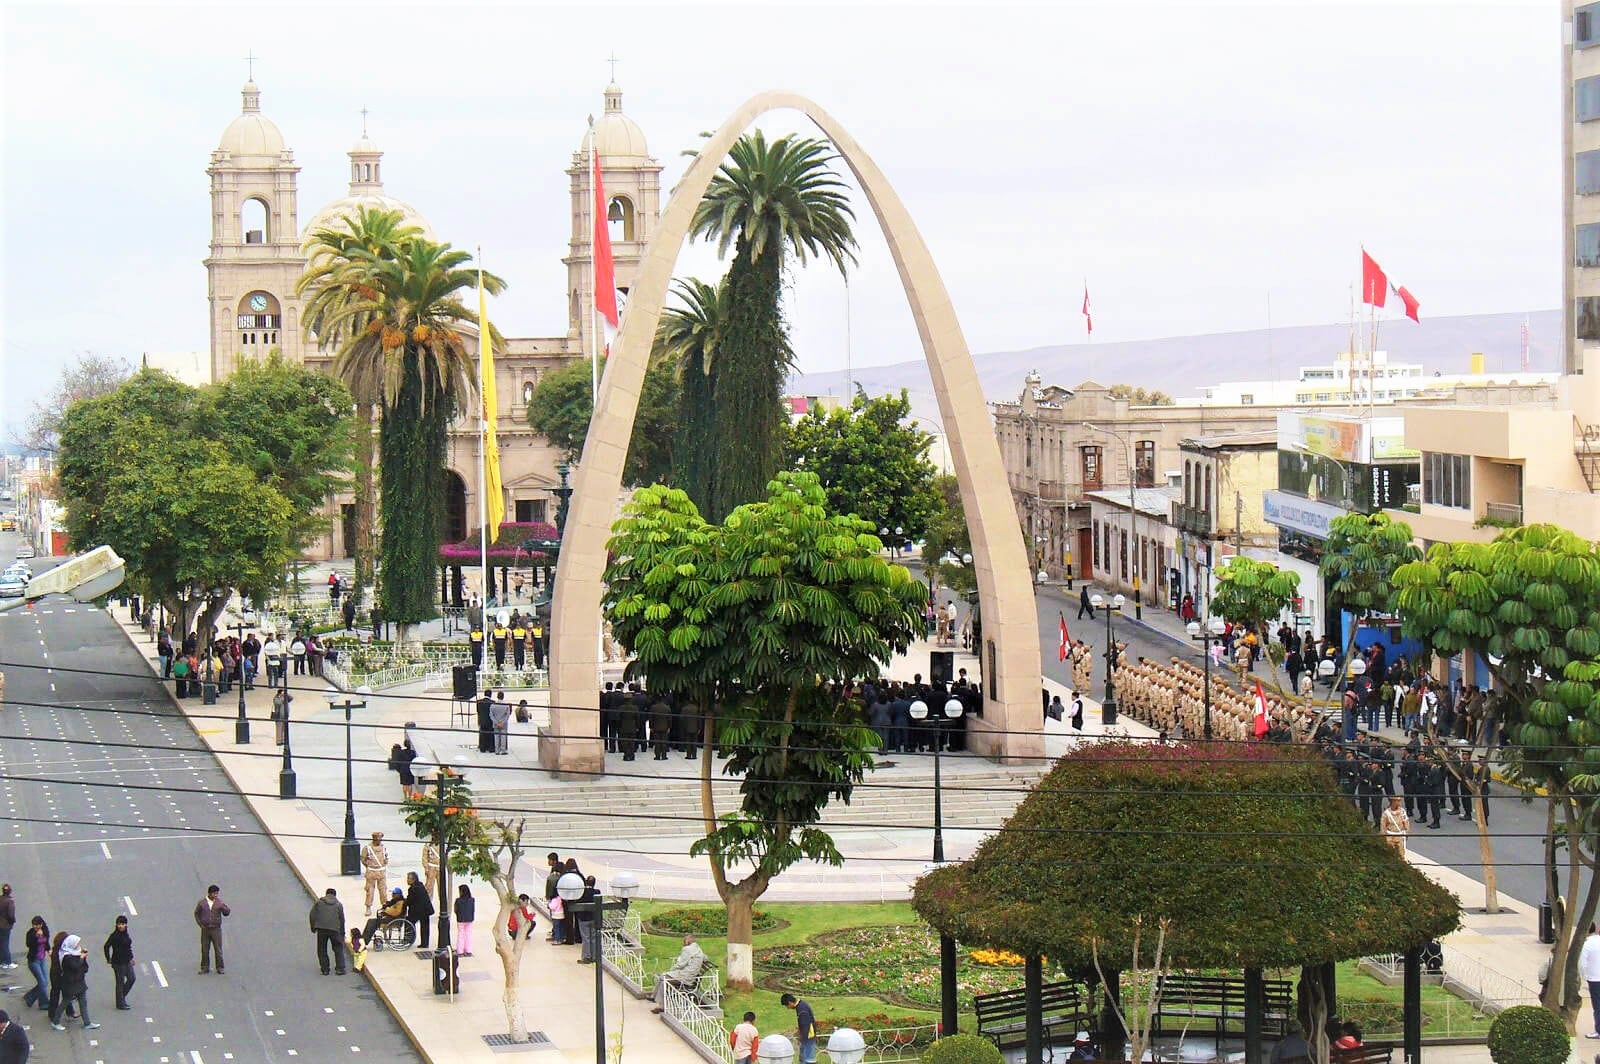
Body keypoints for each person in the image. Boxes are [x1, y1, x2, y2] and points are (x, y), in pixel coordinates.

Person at [651, 933, 708, 1012]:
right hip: (690, 977)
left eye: (684, 941)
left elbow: (680, 965)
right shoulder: (698, 949)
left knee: (663, 978)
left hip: (685, 978)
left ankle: (661, 1005)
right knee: (662, 977)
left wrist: (670, 971)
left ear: (687, 941)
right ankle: (654, 998)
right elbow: (706, 958)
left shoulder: (687, 949)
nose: (683, 943)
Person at [50, 935, 96, 1031]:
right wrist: (82, 958)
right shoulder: (66, 956)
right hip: (70, 983)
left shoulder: (76, 953)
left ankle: (87, 1022)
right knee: (65, 1003)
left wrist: (83, 957)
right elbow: (75, 966)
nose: (78, 945)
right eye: (76, 943)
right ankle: (55, 1021)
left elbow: (84, 967)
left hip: (79, 982)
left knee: (83, 1003)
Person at [309, 888, 347, 976]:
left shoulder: (319, 903)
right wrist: (342, 933)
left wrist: (313, 927)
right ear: (335, 895)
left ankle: (325, 969)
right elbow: (342, 920)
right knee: (338, 947)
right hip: (335, 929)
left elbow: (312, 915)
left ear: (326, 894)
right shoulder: (338, 905)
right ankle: (340, 969)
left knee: (322, 948)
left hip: (321, 928)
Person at [194, 884, 230, 975]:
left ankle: (220, 967)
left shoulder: (219, 903)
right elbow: (196, 913)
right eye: (214, 893)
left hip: (216, 929)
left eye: (217, 893)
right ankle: (205, 967)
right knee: (205, 949)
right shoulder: (202, 903)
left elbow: (227, 912)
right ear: (209, 893)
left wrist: (224, 908)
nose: (216, 895)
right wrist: (200, 924)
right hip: (205, 929)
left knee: (218, 949)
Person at [102, 915, 135, 1009]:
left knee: (132, 978)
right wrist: (108, 959)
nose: (120, 926)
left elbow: (128, 947)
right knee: (120, 983)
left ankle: (121, 997)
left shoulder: (126, 934)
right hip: (118, 963)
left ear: (126, 925)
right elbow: (106, 946)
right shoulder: (114, 936)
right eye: (119, 924)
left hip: (127, 961)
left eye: (122, 924)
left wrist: (131, 957)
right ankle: (120, 1003)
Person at [781, 992, 818, 1064]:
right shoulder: (801, 1004)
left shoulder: (802, 1009)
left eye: (787, 1006)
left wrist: (802, 1041)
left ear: (790, 1002)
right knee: (806, 1058)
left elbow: (805, 1025)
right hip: (808, 1036)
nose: (788, 1008)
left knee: (807, 1059)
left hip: (808, 1038)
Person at [20, 917, 48, 1011]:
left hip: (42, 959)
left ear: (41, 924)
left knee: (45, 982)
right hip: (33, 960)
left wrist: (49, 950)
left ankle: (29, 997)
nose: (35, 926)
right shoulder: (30, 933)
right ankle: (43, 1003)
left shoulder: (45, 930)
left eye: (37, 925)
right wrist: (36, 936)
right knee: (42, 982)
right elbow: (29, 944)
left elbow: (46, 942)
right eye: (33, 925)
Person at [405, 871, 435, 949]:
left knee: (409, 921)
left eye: (408, 878)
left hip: (420, 911)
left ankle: (408, 939)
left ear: (413, 879)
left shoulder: (413, 889)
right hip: (426, 909)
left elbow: (409, 901)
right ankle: (425, 943)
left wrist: (403, 903)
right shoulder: (420, 885)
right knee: (425, 927)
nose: (407, 880)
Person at [361, 832, 389, 914]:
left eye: (380, 839)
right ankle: (368, 907)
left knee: (383, 891)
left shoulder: (384, 847)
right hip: (371, 872)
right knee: (370, 891)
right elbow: (363, 859)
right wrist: (368, 866)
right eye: (377, 838)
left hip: (381, 871)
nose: (379, 840)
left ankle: (384, 905)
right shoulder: (367, 848)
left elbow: (386, 858)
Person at [1581, 922, 1600, 1038]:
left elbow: (1582, 964)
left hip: (1594, 979)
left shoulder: (1586, 944)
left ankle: (1598, 1030)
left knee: (1598, 1006)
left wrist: (1584, 977)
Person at [454, 885, 475, 957]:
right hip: (469, 919)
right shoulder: (472, 899)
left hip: (460, 919)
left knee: (461, 934)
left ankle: (460, 950)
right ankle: (468, 950)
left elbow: (456, 910)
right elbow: (473, 910)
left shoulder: (458, 900)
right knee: (468, 934)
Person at [0, 885, 13, 969]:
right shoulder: (9, 901)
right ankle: (8, 962)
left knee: (1, 943)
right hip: (5, 925)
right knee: (5, 943)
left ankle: (1, 961)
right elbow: (11, 915)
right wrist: (12, 922)